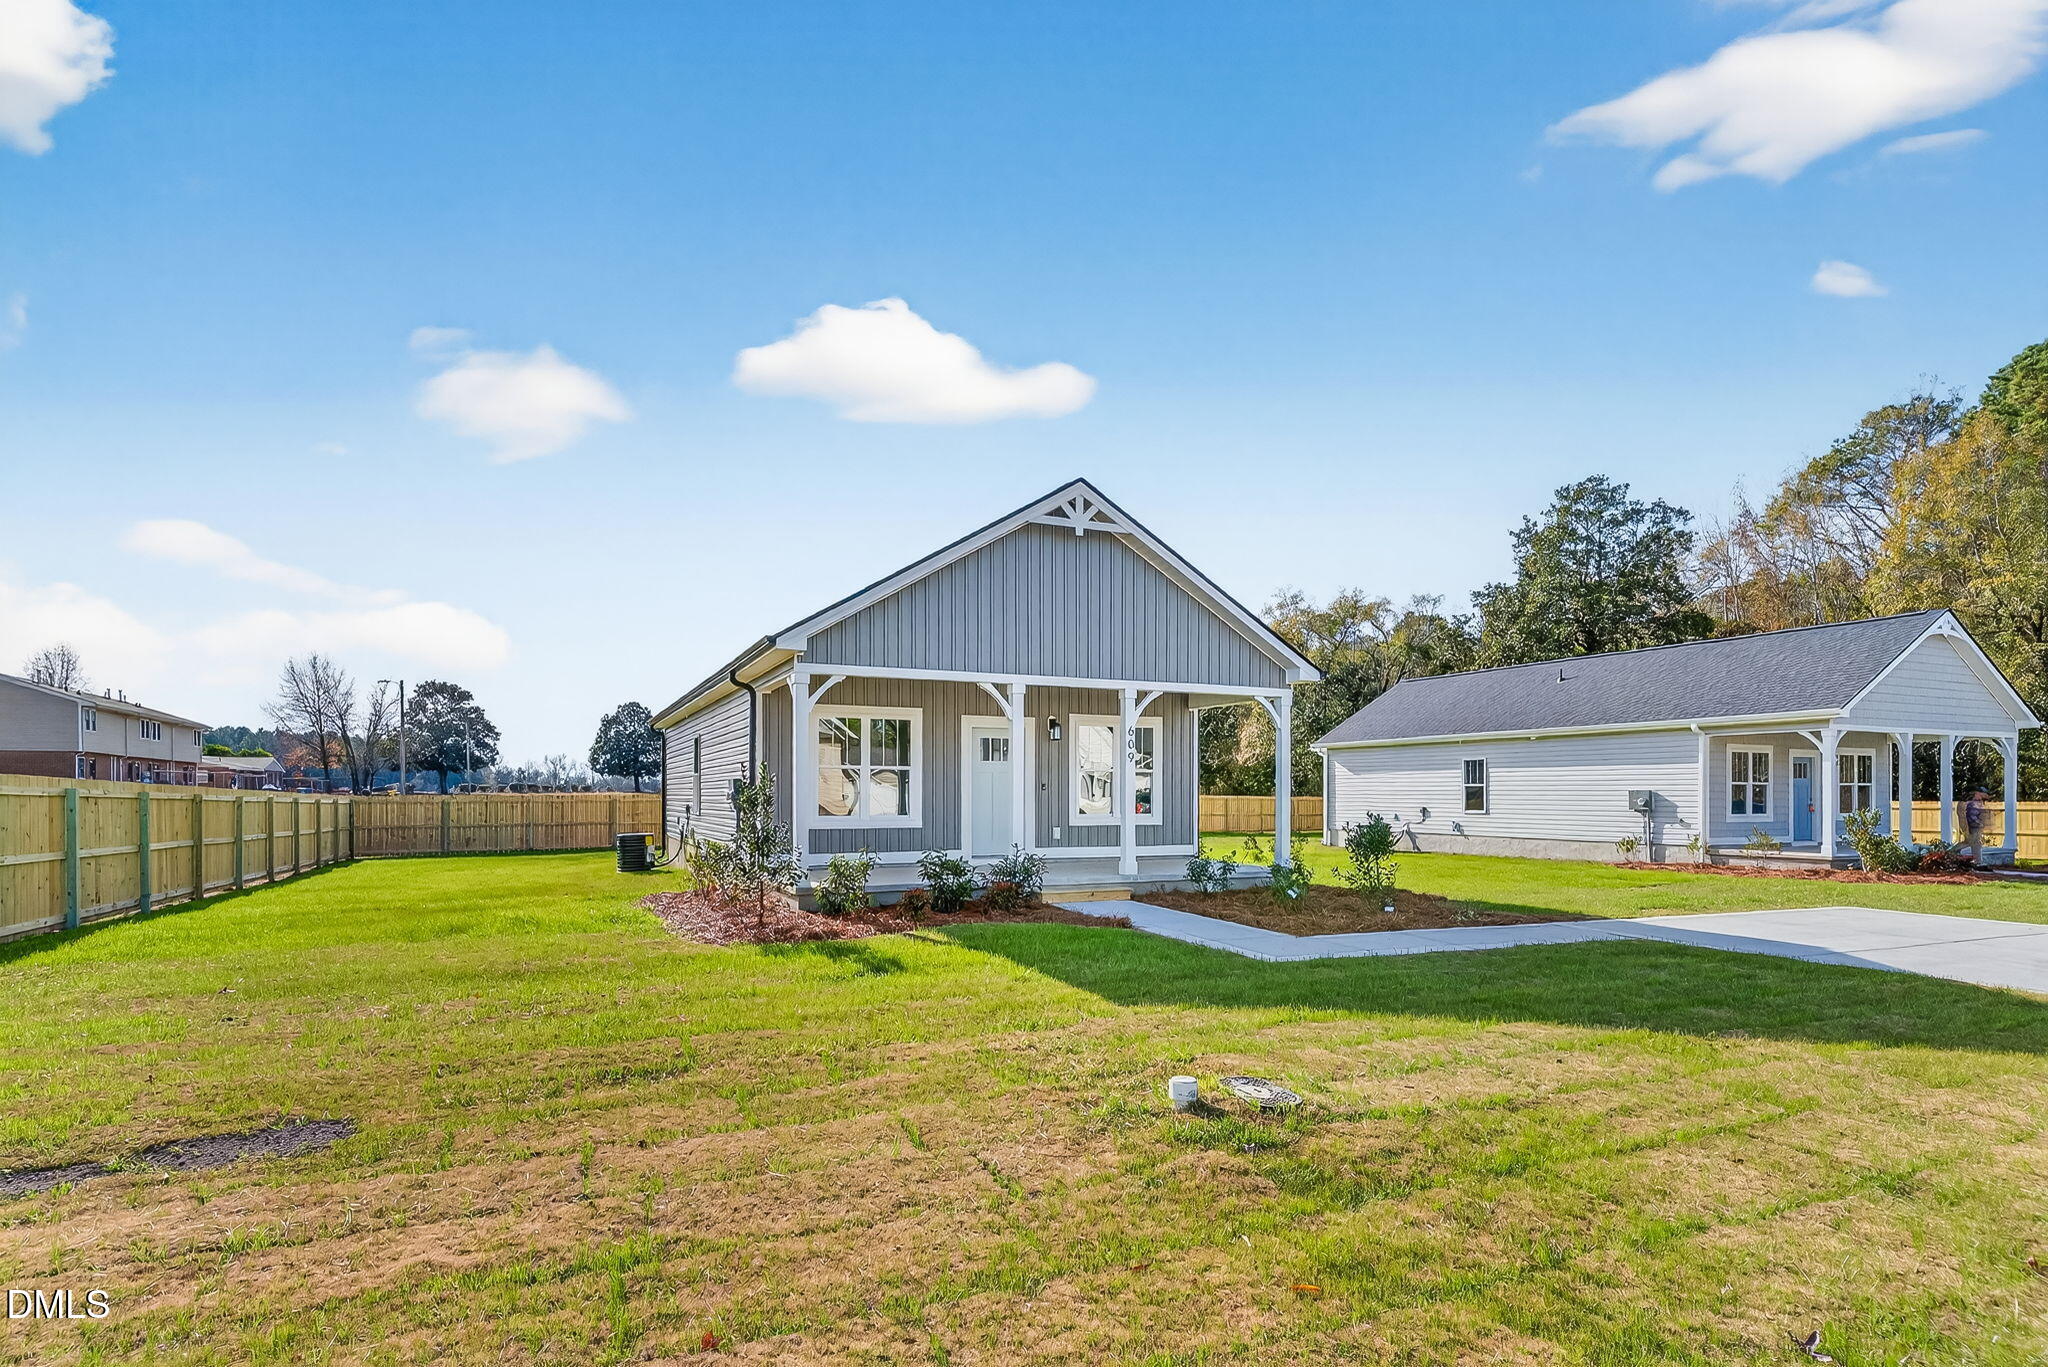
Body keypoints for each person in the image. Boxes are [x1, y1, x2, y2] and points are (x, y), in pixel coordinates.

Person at [1960, 787, 1990, 863]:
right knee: (1976, 843)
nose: (1985, 796)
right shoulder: (1972, 803)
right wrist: (1978, 823)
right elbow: (1971, 816)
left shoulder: (1976, 802)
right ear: (1977, 793)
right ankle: (1978, 862)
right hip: (1973, 826)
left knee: (1968, 842)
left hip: (1973, 826)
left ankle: (1949, 852)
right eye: (1983, 793)